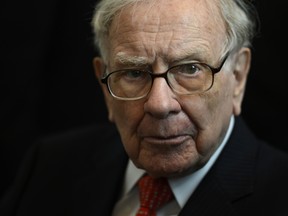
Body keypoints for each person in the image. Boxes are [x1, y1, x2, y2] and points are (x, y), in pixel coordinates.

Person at [1, 0, 288, 215]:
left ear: (238, 76)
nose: (160, 104)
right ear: (104, 84)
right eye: (134, 73)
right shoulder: (48, 166)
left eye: (190, 69)